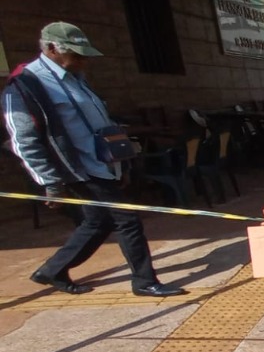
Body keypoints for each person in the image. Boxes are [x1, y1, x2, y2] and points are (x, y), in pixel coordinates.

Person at [2, 21, 185, 297]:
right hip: (76, 168)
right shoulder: (26, 84)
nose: (83, 60)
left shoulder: (75, 76)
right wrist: (50, 181)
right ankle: (144, 281)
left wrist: (119, 162)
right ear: (51, 48)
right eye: (76, 54)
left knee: (98, 222)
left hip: (103, 162)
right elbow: (23, 140)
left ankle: (52, 270)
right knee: (127, 220)